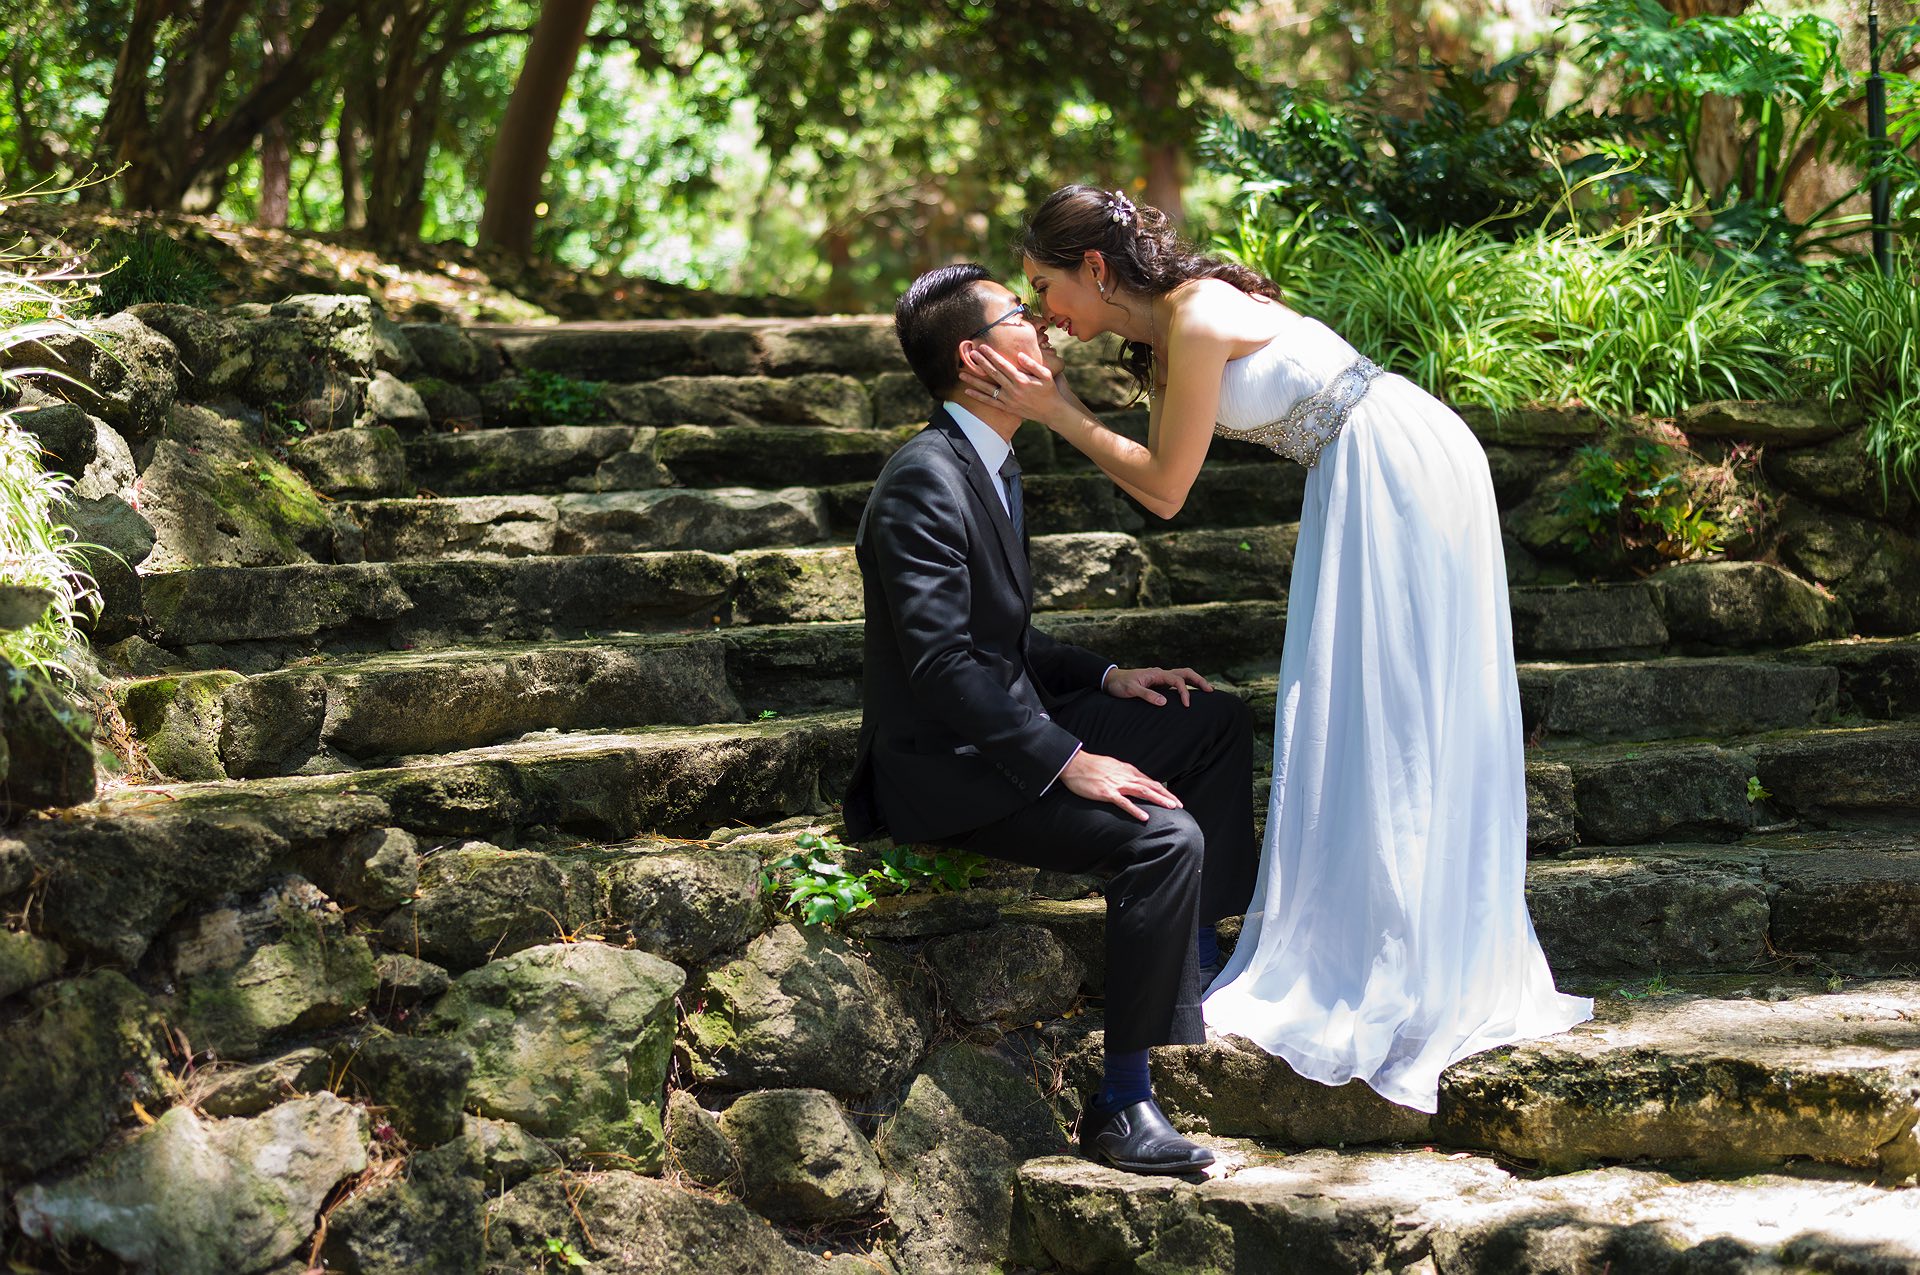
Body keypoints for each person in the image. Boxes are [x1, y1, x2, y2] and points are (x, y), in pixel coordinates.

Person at [959, 184, 1592, 1114]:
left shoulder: (1200, 315)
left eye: (1046, 286)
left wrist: (1057, 410)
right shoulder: (1171, 328)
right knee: (1367, 713)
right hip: (1359, 471)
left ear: (1095, 270)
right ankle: (1392, 942)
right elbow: (1158, 477)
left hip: (1399, 464)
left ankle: (1417, 960)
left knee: (1399, 708)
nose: (1045, 312)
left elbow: (1166, 489)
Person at [844, 262, 1258, 1172]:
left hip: (1010, 727)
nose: (1045, 326)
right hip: (947, 764)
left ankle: (1198, 957)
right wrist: (1068, 759)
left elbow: (1005, 640)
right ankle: (1122, 1102)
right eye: (1021, 315)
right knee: (1161, 836)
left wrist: (1110, 676)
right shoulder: (921, 481)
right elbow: (945, 666)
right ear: (976, 357)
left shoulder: (989, 461)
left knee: (1209, 719)